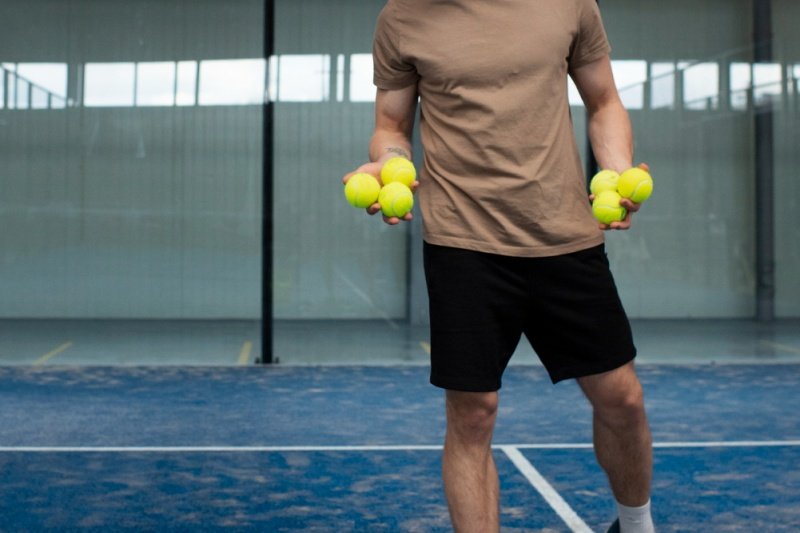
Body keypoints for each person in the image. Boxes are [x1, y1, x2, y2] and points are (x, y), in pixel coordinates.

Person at [343, 1, 655, 531]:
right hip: (463, 241)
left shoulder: (569, 4)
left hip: (564, 235)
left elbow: (604, 101)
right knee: (473, 414)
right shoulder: (402, 16)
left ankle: (636, 524)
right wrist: (391, 160)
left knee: (622, 399)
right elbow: (391, 125)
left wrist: (618, 169)